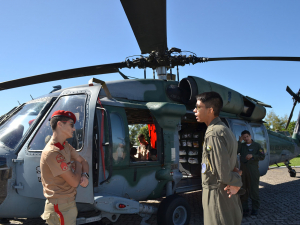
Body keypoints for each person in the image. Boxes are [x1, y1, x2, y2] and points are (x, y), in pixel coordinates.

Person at [193, 92, 243, 225]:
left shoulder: (213, 133)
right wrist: (237, 176)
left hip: (217, 195)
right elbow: (234, 163)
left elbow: (223, 174)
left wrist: (237, 180)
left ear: (210, 110)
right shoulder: (225, 129)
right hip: (225, 194)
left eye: (198, 107)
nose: (194, 110)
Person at [40, 110, 89, 225]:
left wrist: (85, 175)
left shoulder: (65, 146)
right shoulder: (52, 152)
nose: (73, 129)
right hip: (60, 208)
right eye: (71, 125)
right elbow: (74, 182)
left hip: (67, 205)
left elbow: (84, 162)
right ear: (60, 124)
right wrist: (77, 164)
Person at [238, 130, 265, 216]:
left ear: (250, 136)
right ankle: (245, 209)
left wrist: (253, 156)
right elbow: (235, 151)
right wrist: (239, 141)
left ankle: (255, 208)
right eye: (244, 137)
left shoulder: (257, 145)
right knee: (243, 189)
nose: (246, 138)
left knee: (254, 190)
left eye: (247, 136)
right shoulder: (241, 146)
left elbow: (262, 156)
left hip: (253, 170)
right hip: (243, 170)